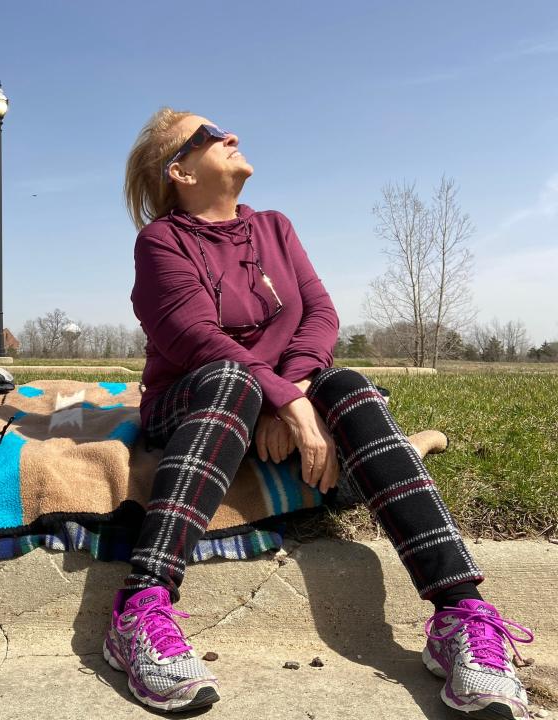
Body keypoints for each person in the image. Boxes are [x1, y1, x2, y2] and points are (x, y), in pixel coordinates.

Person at [106, 108, 534, 717]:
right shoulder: (162, 242)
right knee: (231, 377)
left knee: (350, 384)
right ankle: (140, 605)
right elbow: (196, 338)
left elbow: (320, 317)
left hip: (283, 395)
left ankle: (460, 613)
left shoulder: (276, 228)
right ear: (180, 170)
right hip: (198, 401)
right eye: (209, 135)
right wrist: (284, 404)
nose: (230, 136)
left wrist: (295, 396)